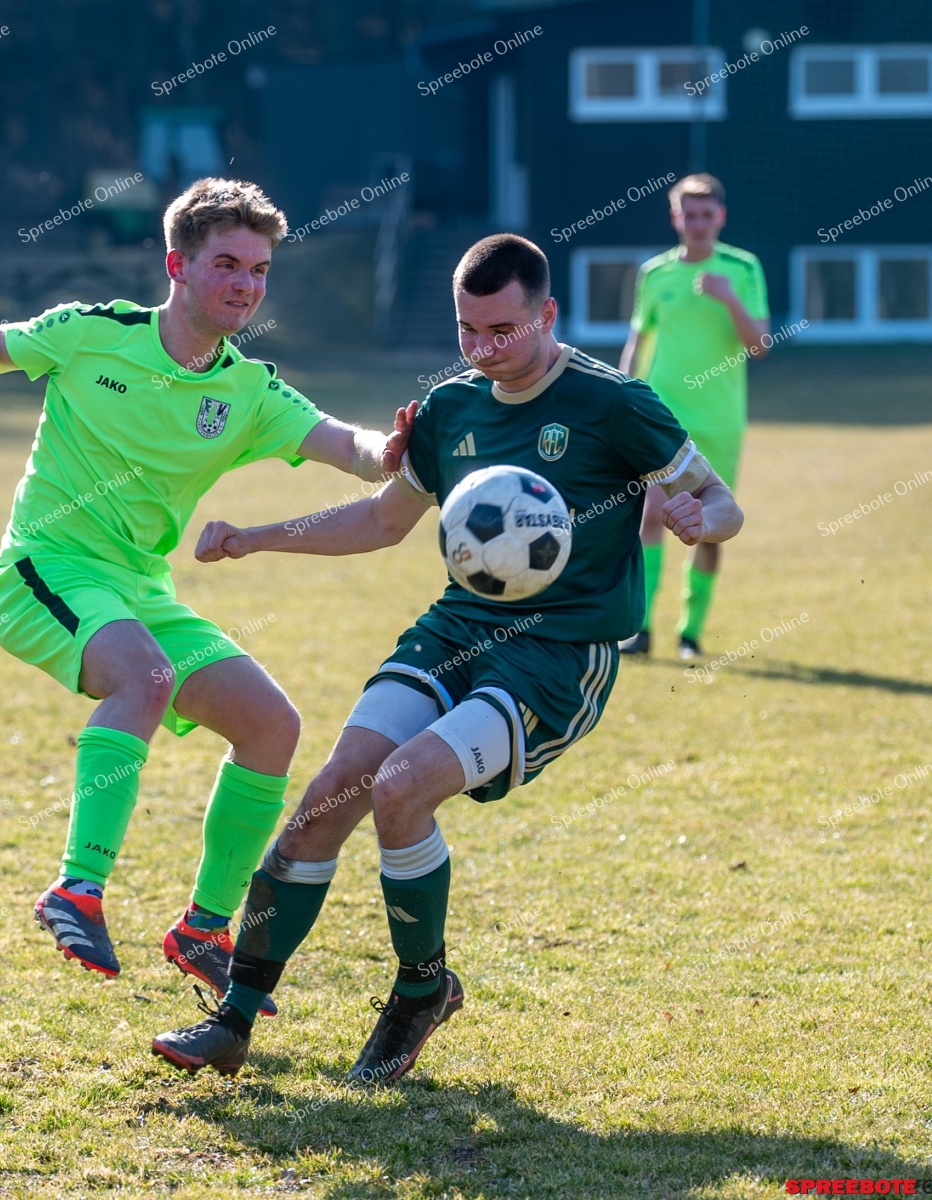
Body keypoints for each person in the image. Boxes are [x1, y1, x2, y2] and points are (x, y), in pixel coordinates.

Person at [151, 233, 743, 1080]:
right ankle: (233, 1020)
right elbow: (380, 520)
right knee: (327, 798)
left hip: (558, 655)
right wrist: (257, 537)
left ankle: (420, 990)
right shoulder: (450, 408)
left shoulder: (615, 404)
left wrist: (696, 518)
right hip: (457, 630)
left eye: (503, 330)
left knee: (401, 787)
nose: (483, 348)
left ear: (547, 314)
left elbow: (722, 503)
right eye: (468, 330)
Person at [0, 178, 414, 1018]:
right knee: (147, 678)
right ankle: (76, 889)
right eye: (226, 264)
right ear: (177, 266)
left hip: (139, 591)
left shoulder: (248, 390)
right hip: (44, 567)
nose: (245, 284)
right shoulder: (94, 333)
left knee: (272, 726)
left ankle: (204, 929)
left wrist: (400, 447)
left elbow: (351, 447)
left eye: (259, 270)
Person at [617, 173, 768, 661]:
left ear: (720, 217)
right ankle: (640, 628)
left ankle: (690, 633)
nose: (698, 223)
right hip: (664, 418)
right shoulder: (655, 273)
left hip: (720, 419)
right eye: (690, 214)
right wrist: (622, 395)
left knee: (710, 523)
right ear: (675, 217)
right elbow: (638, 340)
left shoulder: (742, 268)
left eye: (707, 214)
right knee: (650, 517)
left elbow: (760, 344)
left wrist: (729, 298)